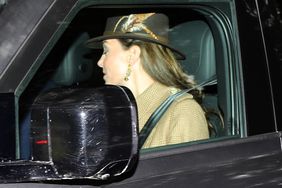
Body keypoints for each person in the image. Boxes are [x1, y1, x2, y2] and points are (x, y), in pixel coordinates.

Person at [85, 13, 209, 148]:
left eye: (106, 50)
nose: (99, 62)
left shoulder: (183, 112)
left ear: (132, 55)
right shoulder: (116, 110)